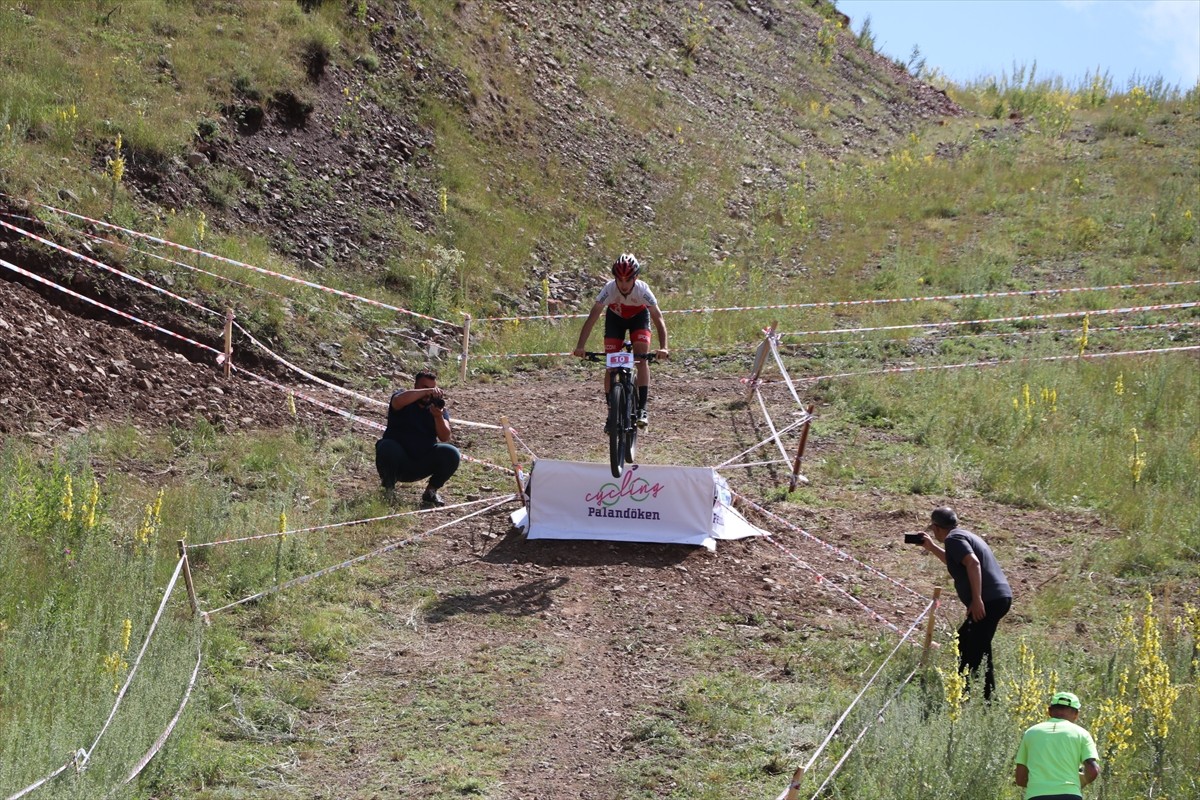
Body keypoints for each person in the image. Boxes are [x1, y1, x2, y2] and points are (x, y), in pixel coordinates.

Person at [916, 505, 1012, 700]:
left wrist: (977, 600)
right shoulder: (965, 536)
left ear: (936, 527)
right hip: (998, 598)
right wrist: (932, 547)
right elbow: (958, 561)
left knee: (970, 651)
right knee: (970, 644)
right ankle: (988, 699)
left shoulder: (953, 539)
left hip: (988, 600)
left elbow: (973, 563)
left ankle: (961, 697)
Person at [572, 253, 669, 428]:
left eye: (627, 280)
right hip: (615, 318)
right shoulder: (609, 289)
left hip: (639, 317)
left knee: (641, 358)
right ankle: (611, 413)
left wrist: (664, 347)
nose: (623, 285)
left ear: (635, 278)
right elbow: (592, 317)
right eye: (620, 280)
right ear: (615, 278)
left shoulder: (643, 290)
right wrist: (580, 346)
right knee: (611, 366)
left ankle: (642, 409)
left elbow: (658, 318)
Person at [375, 369, 460, 507]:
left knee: (451, 453)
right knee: (386, 446)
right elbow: (398, 401)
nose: (429, 392)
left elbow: (445, 436)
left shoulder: (436, 409)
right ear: (415, 386)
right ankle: (388, 490)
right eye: (425, 387)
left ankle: (430, 492)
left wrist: (438, 416)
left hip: (421, 461)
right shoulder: (403, 398)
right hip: (398, 460)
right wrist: (426, 392)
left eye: (432, 388)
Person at [1014, 691, 1101, 800]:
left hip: (1036, 795)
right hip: (1070, 795)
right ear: (1076, 714)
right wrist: (1081, 781)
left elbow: (1020, 779)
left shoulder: (1031, 733)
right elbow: (1093, 771)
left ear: (1049, 711)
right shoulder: (1082, 734)